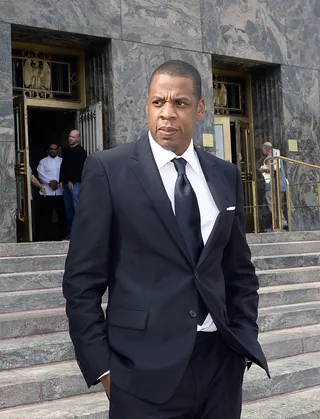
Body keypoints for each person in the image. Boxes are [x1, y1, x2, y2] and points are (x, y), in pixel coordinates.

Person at [63, 60, 269, 419]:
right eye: (158, 103)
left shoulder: (225, 175)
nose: (167, 114)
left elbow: (239, 271)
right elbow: (81, 281)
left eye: (180, 103)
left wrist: (242, 340)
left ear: (201, 109)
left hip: (220, 366)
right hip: (140, 372)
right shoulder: (109, 170)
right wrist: (105, 369)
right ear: (147, 106)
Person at [37, 143, 67, 241]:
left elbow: (64, 173)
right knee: (46, 215)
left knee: (62, 214)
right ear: (48, 150)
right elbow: (40, 174)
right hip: (47, 192)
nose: (53, 151)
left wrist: (57, 182)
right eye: (51, 149)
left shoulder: (62, 161)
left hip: (60, 192)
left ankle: (64, 234)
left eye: (55, 149)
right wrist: (50, 182)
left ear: (58, 150)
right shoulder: (43, 162)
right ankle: (45, 237)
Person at [59, 130, 87, 234]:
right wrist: (61, 180)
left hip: (75, 184)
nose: (71, 138)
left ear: (78, 139)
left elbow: (81, 168)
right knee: (68, 210)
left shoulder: (81, 151)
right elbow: (63, 166)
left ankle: (81, 233)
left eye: (73, 137)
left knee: (77, 208)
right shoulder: (66, 151)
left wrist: (73, 180)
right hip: (65, 184)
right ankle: (72, 233)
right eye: (70, 136)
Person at [259, 142, 288, 230]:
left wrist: (262, 169)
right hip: (281, 184)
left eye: (263, 149)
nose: (262, 151)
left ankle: (281, 223)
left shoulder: (271, 157)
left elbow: (273, 169)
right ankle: (279, 223)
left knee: (274, 205)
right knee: (278, 204)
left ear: (266, 149)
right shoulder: (277, 156)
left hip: (274, 185)